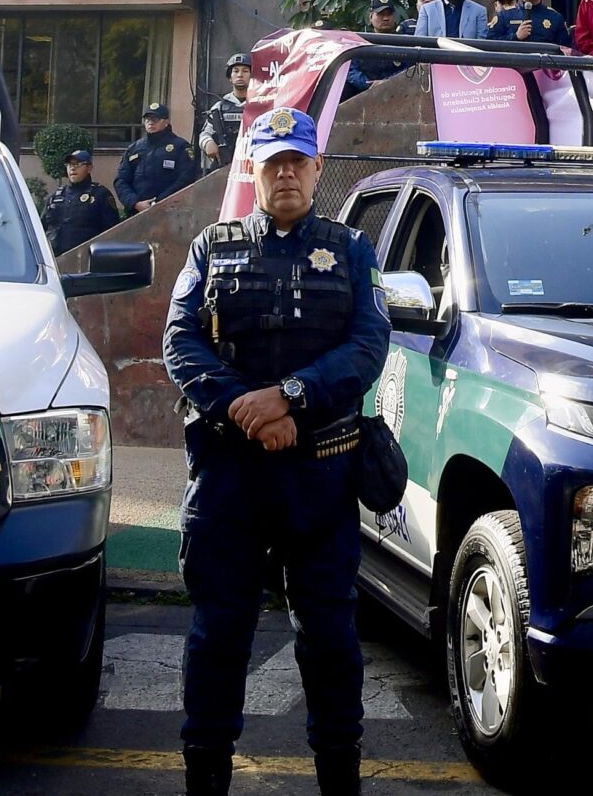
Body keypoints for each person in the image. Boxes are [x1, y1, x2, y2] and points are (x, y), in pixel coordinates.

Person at [165, 107, 390, 796]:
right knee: (218, 635)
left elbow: (367, 345)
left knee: (329, 638)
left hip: (321, 477)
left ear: (318, 169)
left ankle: (340, 782)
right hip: (231, 474)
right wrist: (246, 407)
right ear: (254, 173)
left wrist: (289, 398)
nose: (286, 173)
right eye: (274, 163)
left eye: (298, 161)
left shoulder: (352, 249)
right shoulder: (212, 245)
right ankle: (205, 778)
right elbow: (180, 341)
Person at [117, 102, 200, 214]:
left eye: (155, 119)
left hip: (171, 211)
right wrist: (135, 203)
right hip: (137, 213)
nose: (150, 123)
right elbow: (121, 180)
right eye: (147, 119)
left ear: (166, 122)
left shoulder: (180, 147)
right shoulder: (134, 148)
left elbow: (186, 178)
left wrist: (160, 202)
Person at [42, 146, 123, 256]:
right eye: (70, 165)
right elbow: (41, 228)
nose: (72, 168)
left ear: (89, 168)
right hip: (55, 260)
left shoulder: (100, 195)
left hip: (86, 260)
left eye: (78, 164)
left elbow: (112, 232)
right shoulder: (56, 196)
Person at [198, 54, 254, 173]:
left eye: (245, 71)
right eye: (235, 71)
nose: (240, 75)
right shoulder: (219, 107)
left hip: (253, 166)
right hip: (224, 166)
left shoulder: (260, 105)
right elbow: (205, 134)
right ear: (230, 77)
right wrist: (208, 143)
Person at [344, 1, 411, 97]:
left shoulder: (405, 42)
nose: (385, 18)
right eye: (381, 14)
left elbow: (409, 69)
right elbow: (351, 71)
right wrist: (368, 84)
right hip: (362, 95)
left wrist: (387, 83)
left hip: (399, 93)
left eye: (389, 14)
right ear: (370, 17)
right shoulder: (360, 42)